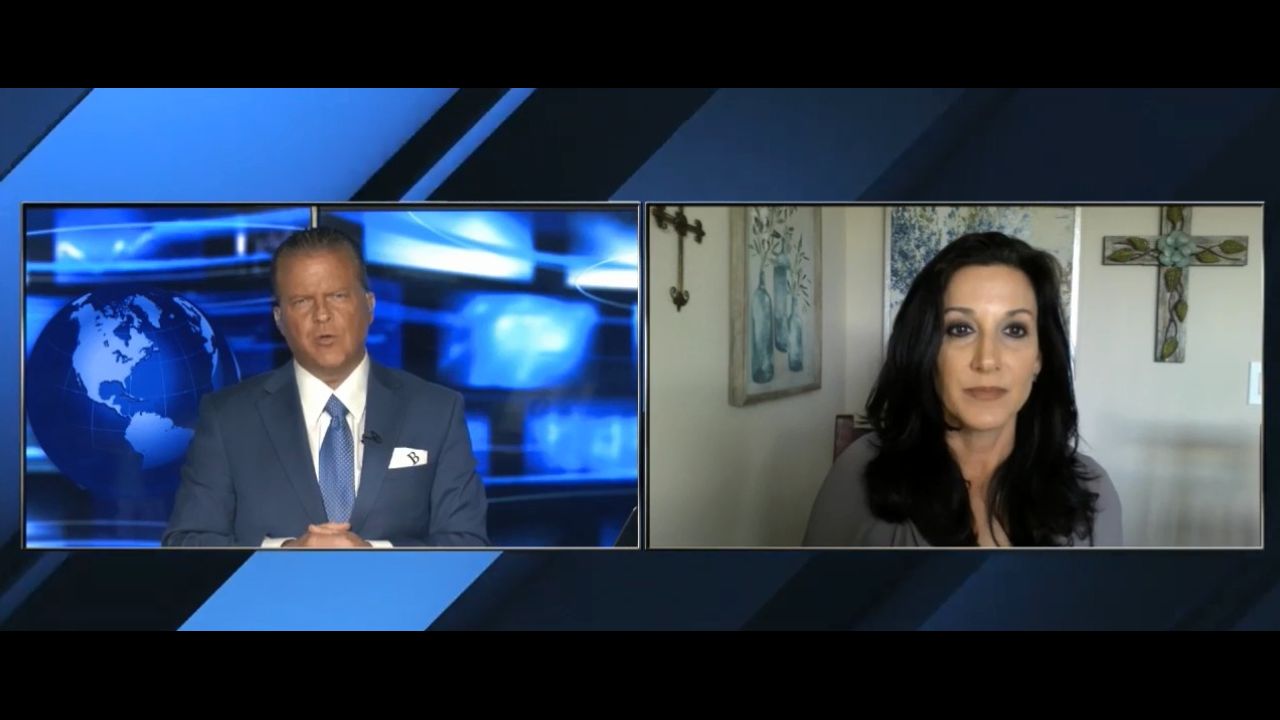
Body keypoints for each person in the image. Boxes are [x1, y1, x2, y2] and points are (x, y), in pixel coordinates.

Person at [163, 227, 488, 548]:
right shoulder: (227, 418)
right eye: (302, 301)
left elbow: (468, 544)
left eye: (338, 296)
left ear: (369, 305)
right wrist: (286, 553)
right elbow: (185, 544)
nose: (322, 315)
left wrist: (374, 554)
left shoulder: (437, 411)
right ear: (279, 319)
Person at [804, 232, 1121, 547]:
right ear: (928, 350)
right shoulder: (858, 475)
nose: (987, 360)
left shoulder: (1094, 492)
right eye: (960, 329)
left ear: (1039, 357)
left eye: (1014, 330)